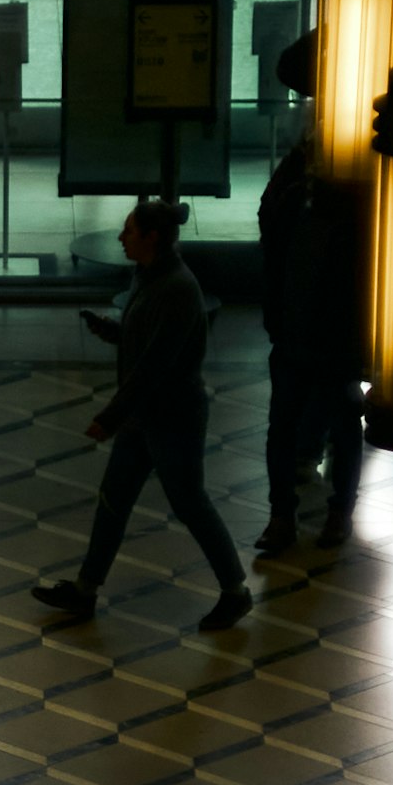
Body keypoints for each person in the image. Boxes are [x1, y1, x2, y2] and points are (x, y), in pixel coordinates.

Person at [30, 199, 253, 633]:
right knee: (113, 502)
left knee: (191, 504)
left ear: (151, 237)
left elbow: (153, 367)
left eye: (128, 231)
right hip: (146, 417)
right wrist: (112, 330)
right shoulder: (150, 276)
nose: (120, 238)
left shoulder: (176, 288)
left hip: (172, 419)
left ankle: (236, 592)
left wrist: (110, 418)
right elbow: (145, 341)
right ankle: (85, 589)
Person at [253, 33, 362, 554]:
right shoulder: (308, 198)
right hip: (306, 331)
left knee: (322, 420)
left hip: (316, 332)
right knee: (311, 421)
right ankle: (303, 513)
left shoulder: (312, 201)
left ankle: (314, 512)